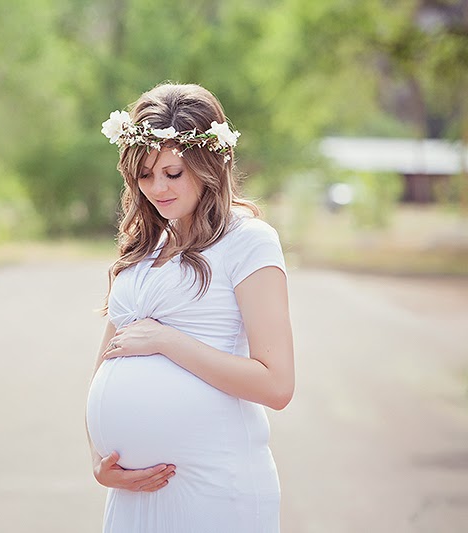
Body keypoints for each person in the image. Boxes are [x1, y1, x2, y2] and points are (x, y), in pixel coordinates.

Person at [85, 83, 295, 533]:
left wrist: (166, 340)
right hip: (132, 494)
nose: (156, 189)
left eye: (173, 173)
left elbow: (277, 385)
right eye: (144, 175)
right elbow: (108, 359)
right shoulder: (145, 245)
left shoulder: (249, 240)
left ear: (209, 165)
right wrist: (100, 462)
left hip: (213, 485)